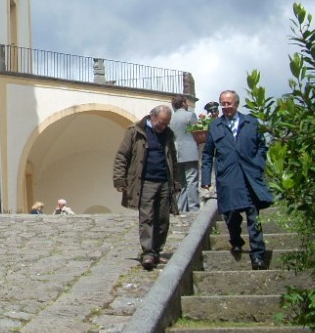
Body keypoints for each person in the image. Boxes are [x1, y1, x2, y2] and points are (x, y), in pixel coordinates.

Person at [200, 90, 275, 270]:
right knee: (230, 213)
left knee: (252, 216)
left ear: (236, 104)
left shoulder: (251, 122)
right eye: (223, 104)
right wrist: (205, 178)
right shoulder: (215, 126)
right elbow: (208, 153)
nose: (226, 107)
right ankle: (235, 238)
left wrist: (258, 164)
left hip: (248, 176)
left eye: (229, 103)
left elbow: (262, 146)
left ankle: (258, 254)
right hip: (228, 177)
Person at [113, 105, 183, 270]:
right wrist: (119, 179)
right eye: (161, 123)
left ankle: (157, 251)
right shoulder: (135, 131)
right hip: (145, 182)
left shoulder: (167, 135)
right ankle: (148, 253)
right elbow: (122, 155)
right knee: (147, 218)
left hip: (164, 181)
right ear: (152, 117)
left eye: (166, 123)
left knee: (163, 219)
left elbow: (172, 158)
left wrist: (176, 183)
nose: (163, 126)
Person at [170, 94, 200, 214]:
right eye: (186, 102)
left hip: (176, 151)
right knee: (192, 180)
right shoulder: (190, 115)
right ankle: (194, 207)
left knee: (182, 182)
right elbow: (197, 131)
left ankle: (181, 207)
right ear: (183, 103)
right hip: (189, 150)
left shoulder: (171, 118)